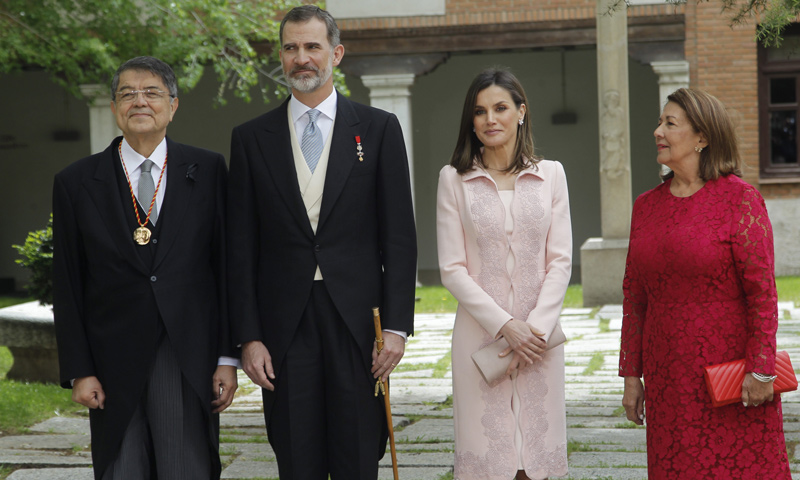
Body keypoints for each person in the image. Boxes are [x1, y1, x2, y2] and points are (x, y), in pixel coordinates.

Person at [226, 5, 417, 479]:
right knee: (296, 455)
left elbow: (399, 237)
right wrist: (248, 336)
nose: (301, 58)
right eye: (290, 48)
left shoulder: (378, 129)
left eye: (312, 46)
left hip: (357, 322)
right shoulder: (251, 139)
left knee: (357, 451)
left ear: (336, 53)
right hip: (283, 325)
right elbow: (240, 248)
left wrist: (396, 327)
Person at [52, 56, 237, 480]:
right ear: (116, 108)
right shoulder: (76, 182)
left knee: (185, 465)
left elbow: (227, 268)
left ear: (173, 105)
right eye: (127, 93)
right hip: (111, 353)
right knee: (123, 467)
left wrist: (227, 357)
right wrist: (80, 369)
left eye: (151, 92)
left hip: (186, 351)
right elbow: (68, 281)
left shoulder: (207, 170)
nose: (140, 101)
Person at [619, 88, 792, 479]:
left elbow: (762, 294)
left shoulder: (740, 200)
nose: (657, 131)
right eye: (660, 122)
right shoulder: (645, 206)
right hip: (667, 378)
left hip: (731, 376)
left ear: (703, 137)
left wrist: (762, 369)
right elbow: (634, 299)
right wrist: (633, 376)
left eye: (670, 123)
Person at [436, 68, 572, 480]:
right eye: (479, 112)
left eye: (500, 108)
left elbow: (561, 260)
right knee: (486, 460)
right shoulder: (453, 179)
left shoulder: (552, 175)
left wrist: (535, 329)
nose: (490, 119)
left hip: (539, 340)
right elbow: (451, 268)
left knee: (537, 461)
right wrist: (505, 325)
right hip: (481, 338)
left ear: (521, 112)